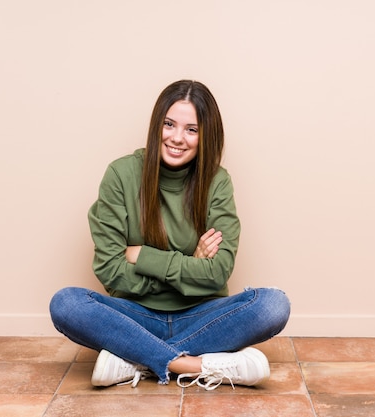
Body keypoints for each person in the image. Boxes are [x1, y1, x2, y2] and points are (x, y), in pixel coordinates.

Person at [49, 80, 290, 390]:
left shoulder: (217, 182)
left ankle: (135, 357)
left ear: (206, 136)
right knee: (66, 303)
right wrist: (191, 264)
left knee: (273, 305)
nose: (177, 138)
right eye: (169, 124)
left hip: (202, 316)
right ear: (156, 126)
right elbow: (109, 269)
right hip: (134, 315)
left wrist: (141, 256)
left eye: (192, 129)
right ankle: (193, 365)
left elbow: (217, 274)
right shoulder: (121, 175)